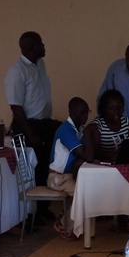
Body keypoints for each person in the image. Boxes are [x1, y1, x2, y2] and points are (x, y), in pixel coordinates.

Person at [4, 31, 59, 191]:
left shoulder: (40, 64)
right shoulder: (17, 72)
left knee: (45, 165)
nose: (44, 46)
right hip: (28, 126)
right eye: (40, 44)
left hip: (44, 123)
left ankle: (44, 207)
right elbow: (15, 106)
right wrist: (30, 133)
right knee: (32, 169)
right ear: (31, 48)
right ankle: (32, 212)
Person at [47, 97, 89, 239]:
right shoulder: (66, 130)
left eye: (86, 112)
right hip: (57, 177)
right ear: (71, 112)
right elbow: (84, 153)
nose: (85, 116)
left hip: (67, 176)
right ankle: (63, 223)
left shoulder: (78, 129)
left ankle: (67, 216)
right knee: (83, 194)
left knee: (88, 189)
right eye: (81, 112)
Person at [85, 88, 129, 164]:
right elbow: (96, 152)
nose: (116, 111)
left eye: (119, 107)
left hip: (125, 162)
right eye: (111, 108)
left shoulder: (125, 121)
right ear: (104, 109)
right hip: (106, 165)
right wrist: (111, 155)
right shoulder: (98, 125)